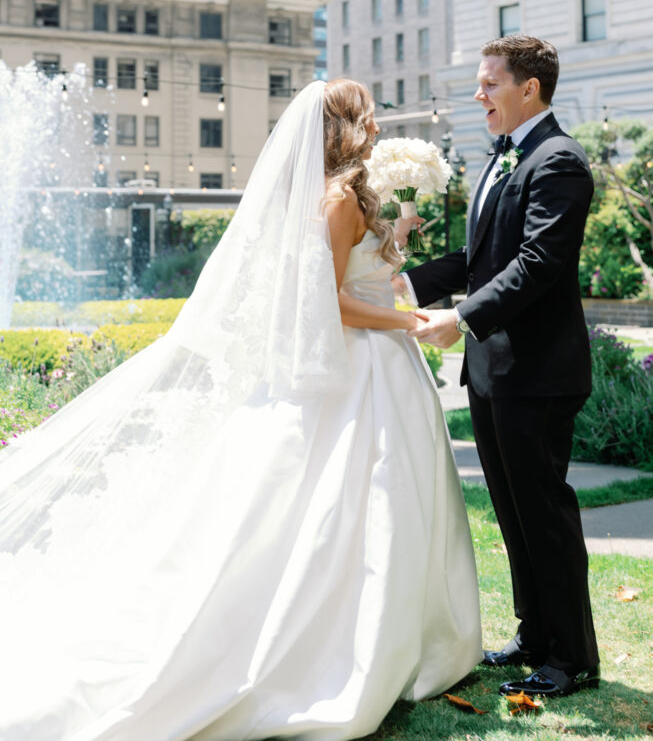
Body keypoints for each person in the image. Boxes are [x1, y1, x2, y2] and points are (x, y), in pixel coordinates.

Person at [0, 77, 481, 741]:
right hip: (360, 366)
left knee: (371, 506)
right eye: (365, 116)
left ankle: (396, 638)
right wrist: (405, 322)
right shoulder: (339, 199)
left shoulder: (338, 193)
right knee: (361, 504)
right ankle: (353, 649)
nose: (374, 125)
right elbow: (328, 300)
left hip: (371, 366)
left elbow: (349, 278)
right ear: (344, 129)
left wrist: (396, 241)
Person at [397, 35, 600, 699]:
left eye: (488, 83)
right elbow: (477, 259)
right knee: (513, 513)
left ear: (528, 89)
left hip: (537, 372)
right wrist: (399, 286)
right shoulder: (501, 157)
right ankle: (533, 634)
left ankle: (571, 656)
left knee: (543, 512)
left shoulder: (559, 161)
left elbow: (538, 264)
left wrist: (459, 319)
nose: (478, 94)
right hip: (490, 371)